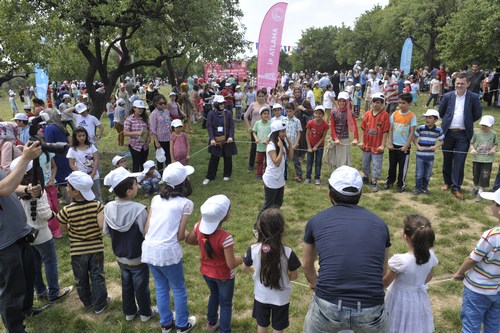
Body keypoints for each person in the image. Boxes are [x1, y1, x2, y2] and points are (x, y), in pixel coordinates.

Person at [302, 166, 391, 333]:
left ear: (330, 194)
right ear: (360, 194)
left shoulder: (316, 221)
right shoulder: (380, 224)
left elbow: (307, 265)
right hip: (370, 307)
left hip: (328, 306)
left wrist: (315, 283)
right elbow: (382, 271)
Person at [0, 141, 53, 333]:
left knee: (28, 274)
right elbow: (4, 188)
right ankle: (15, 328)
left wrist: (26, 190)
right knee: (11, 288)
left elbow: (9, 186)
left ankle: (26, 309)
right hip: (4, 242)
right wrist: (25, 158)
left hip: (19, 232)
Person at [141, 162, 197, 333]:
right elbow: (180, 236)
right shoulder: (186, 203)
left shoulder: (155, 198)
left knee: (160, 287)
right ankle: (182, 324)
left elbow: (146, 229)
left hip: (150, 248)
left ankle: (166, 324)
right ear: (184, 181)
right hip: (167, 251)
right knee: (178, 287)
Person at [10, 157, 73, 304]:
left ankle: (40, 291)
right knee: (50, 261)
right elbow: (44, 213)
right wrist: (54, 215)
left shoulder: (16, 190)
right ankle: (54, 291)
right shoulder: (38, 190)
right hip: (42, 233)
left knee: (35, 265)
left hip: (27, 234)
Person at [103, 167, 155, 322]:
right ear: (128, 191)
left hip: (120, 256)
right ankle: (145, 313)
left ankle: (129, 312)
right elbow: (146, 233)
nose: (138, 186)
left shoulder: (108, 207)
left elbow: (106, 231)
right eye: (135, 184)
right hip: (138, 257)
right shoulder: (139, 210)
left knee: (126, 285)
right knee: (141, 286)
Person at [185, 195, 243, 333]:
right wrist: (242, 258)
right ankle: (224, 330)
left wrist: (202, 240)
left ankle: (212, 322)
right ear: (225, 216)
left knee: (214, 295)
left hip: (206, 273)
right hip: (224, 276)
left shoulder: (198, 226)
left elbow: (190, 240)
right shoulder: (225, 237)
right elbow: (231, 264)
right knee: (225, 303)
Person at [56, 171, 112, 314]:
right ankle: (100, 304)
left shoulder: (66, 210)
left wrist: (73, 227)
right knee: (97, 275)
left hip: (77, 251)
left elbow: (63, 230)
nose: (66, 188)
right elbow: (101, 226)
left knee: (81, 278)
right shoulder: (97, 206)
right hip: (96, 249)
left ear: (75, 191)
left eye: (68, 186)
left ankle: (87, 303)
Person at [242, 208, 301, 333]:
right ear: (282, 229)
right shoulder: (288, 252)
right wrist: (283, 276)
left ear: (259, 229)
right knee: (278, 328)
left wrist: (254, 269)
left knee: (262, 325)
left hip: (261, 296)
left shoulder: (253, 249)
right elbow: (294, 276)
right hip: (281, 298)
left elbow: (244, 269)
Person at [453, 188, 500, 333]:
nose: (491, 205)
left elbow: (473, 259)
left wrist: (460, 273)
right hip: (498, 290)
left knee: (470, 325)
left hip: (477, 290)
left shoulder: (492, 235)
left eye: (493, 202)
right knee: (494, 326)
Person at [383, 215, 437, 333]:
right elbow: (428, 278)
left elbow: (385, 282)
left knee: (396, 323)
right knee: (413, 324)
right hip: (418, 297)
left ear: (405, 237)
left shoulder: (401, 261)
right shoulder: (431, 256)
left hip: (398, 299)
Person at [439, 73, 482, 200]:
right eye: (457, 83)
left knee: (459, 160)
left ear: (468, 84)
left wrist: (467, 121)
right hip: (448, 133)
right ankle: (447, 182)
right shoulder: (447, 96)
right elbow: (442, 112)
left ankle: (456, 187)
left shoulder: (473, 97)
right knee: (447, 158)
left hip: (463, 134)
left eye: (462, 83)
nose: (459, 85)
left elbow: (477, 114)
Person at [260, 120, 293, 215]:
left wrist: (290, 143)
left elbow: (290, 157)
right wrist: (281, 148)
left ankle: (272, 222)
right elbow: (276, 163)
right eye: (282, 131)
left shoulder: (282, 143)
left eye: (284, 131)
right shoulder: (271, 145)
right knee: (268, 205)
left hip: (280, 179)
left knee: (278, 203)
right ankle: (257, 226)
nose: (284, 133)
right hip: (271, 179)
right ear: (276, 133)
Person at [358, 92, 390, 192]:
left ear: (382, 103)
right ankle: (366, 176)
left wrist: (382, 145)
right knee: (365, 162)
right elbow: (363, 129)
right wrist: (361, 141)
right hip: (367, 145)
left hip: (377, 146)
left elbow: (385, 131)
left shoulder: (385, 115)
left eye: (378, 102)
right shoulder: (367, 114)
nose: (376, 104)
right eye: (374, 102)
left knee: (377, 164)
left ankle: (374, 181)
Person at [385, 93, 416, 192]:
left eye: (404, 103)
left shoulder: (412, 116)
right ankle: (390, 181)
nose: (401, 105)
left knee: (403, 167)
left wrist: (406, 145)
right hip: (393, 146)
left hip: (404, 147)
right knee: (392, 165)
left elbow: (412, 132)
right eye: (399, 103)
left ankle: (400, 183)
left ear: (409, 103)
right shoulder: (394, 114)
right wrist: (389, 143)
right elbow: (390, 129)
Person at [203, 95, 237, 185]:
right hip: (216, 139)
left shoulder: (228, 113)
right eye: (220, 103)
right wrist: (212, 138)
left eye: (223, 103)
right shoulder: (211, 113)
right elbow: (209, 127)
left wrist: (231, 137)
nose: (222, 105)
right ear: (216, 104)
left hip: (227, 139)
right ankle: (210, 176)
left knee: (228, 157)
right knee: (214, 158)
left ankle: (227, 174)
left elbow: (232, 126)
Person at [412, 109, 445, 195]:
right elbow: (414, 138)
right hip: (420, 155)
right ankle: (417, 188)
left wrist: (435, 147)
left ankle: (424, 188)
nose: (427, 119)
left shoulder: (438, 130)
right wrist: (418, 146)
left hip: (430, 157)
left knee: (427, 174)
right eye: (426, 117)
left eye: (430, 118)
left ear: (435, 120)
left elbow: (442, 141)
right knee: (419, 173)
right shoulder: (420, 128)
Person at [67, 126, 102, 202]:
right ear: (75, 137)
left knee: (96, 194)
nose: (82, 137)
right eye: (79, 136)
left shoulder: (91, 146)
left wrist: (93, 173)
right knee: (82, 196)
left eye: (83, 135)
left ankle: (99, 209)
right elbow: (72, 164)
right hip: (81, 178)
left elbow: (96, 159)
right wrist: (81, 175)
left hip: (94, 176)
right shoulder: (72, 150)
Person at [326, 92, 358, 170]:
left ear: (347, 102)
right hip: (335, 139)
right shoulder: (334, 112)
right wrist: (335, 138)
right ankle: (335, 176)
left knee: (344, 160)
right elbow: (332, 126)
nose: (342, 103)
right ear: (338, 101)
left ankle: (343, 177)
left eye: (344, 101)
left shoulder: (350, 113)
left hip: (344, 139)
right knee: (335, 159)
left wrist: (355, 138)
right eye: (340, 101)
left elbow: (355, 126)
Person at [470, 115, 497, 202]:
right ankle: (475, 187)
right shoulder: (477, 133)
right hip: (477, 159)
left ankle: (480, 191)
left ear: (491, 125)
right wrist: (472, 149)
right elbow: (471, 143)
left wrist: (493, 149)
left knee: (485, 175)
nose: (484, 127)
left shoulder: (494, 134)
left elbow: (496, 144)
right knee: (476, 174)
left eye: (486, 125)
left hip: (487, 160)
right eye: (483, 125)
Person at [244, 89, 269, 172]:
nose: (261, 98)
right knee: (254, 147)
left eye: (262, 96)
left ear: (265, 96)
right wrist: (248, 127)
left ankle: (266, 165)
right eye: (259, 96)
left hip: (265, 129)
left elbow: (270, 118)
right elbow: (245, 116)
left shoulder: (267, 106)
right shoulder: (252, 105)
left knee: (265, 147)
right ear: (256, 96)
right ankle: (251, 165)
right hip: (254, 130)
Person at [124, 100, 151, 172]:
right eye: (139, 108)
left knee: (144, 164)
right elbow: (125, 133)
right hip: (135, 146)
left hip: (144, 145)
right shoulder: (129, 119)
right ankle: (135, 180)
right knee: (136, 163)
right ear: (134, 108)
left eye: (142, 109)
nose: (141, 110)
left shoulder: (145, 118)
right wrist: (137, 133)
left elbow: (149, 129)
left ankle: (143, 179)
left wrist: (149, 137)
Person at [305, 105, 329, 185]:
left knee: (318, 162)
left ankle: (317, 178)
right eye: (316, 113)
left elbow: (323, 137)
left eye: (320, 114)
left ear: (323, 115)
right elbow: (307, 135)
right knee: (309, 162)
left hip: (320, 147)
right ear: (313, 113)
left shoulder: (325, 125)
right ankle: (308, 177)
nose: (317, 115)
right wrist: (309, 146)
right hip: (310, 146)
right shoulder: (310, 123)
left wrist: (316, 146)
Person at [149, 94, 172, 173]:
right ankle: (161, 174)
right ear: (156, 103)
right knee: (161, 158)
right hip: (160, 140)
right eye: (161, 103)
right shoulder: (154, 114)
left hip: (169, 138)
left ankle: (169, 173)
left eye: (164, 103)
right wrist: (156, 142)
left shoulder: (166, 112)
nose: (163, 105)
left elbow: (169, 124)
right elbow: (153, 129)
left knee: (169, 157)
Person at [252, 106, 272, 181]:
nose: (266, 115)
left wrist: (267, 139)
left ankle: (267, 174)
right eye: (264, 114)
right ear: (260, 115)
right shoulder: (257, 123)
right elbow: (254, 132)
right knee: (259, 161)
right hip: (260, 147)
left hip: (268, 147)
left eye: (267, 114)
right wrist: (256, 139)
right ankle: (259, 174)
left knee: (268, 162)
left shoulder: (270, 123)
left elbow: (272, 133)